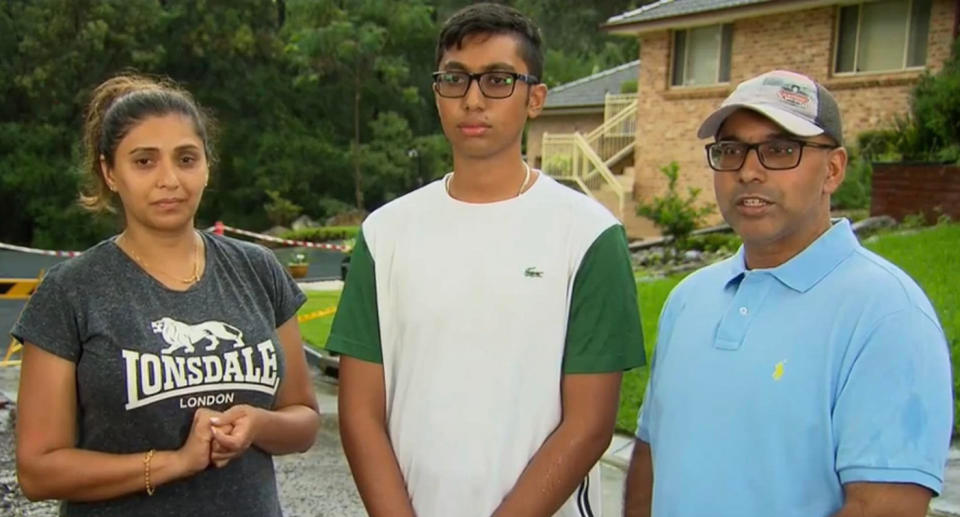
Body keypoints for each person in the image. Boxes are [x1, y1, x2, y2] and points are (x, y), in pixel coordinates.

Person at [327, 3, 645, 517]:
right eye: (455, 79)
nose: (473, 99)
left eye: (498, 80)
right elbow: (360, 413)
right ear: (437, 94)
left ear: (535, 98)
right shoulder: (386, 233)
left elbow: (589, 425)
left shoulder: (588, 234)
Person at [624, 70, 953, 517]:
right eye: (731, 150)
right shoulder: (688, 299)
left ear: (833, 170)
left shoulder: (888, 315)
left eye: (780, 150)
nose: (749, 171)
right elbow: (650, 455)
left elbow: (883, 507)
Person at [12, 74, 320, 516]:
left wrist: (258, 424)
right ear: (109, 172)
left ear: (207, 166)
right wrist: (173, 463)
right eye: (144, 162)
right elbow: (38, 470)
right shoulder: (72, 291)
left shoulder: (258, 270)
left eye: (186, 158)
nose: (169, 179)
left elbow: (304, 421)